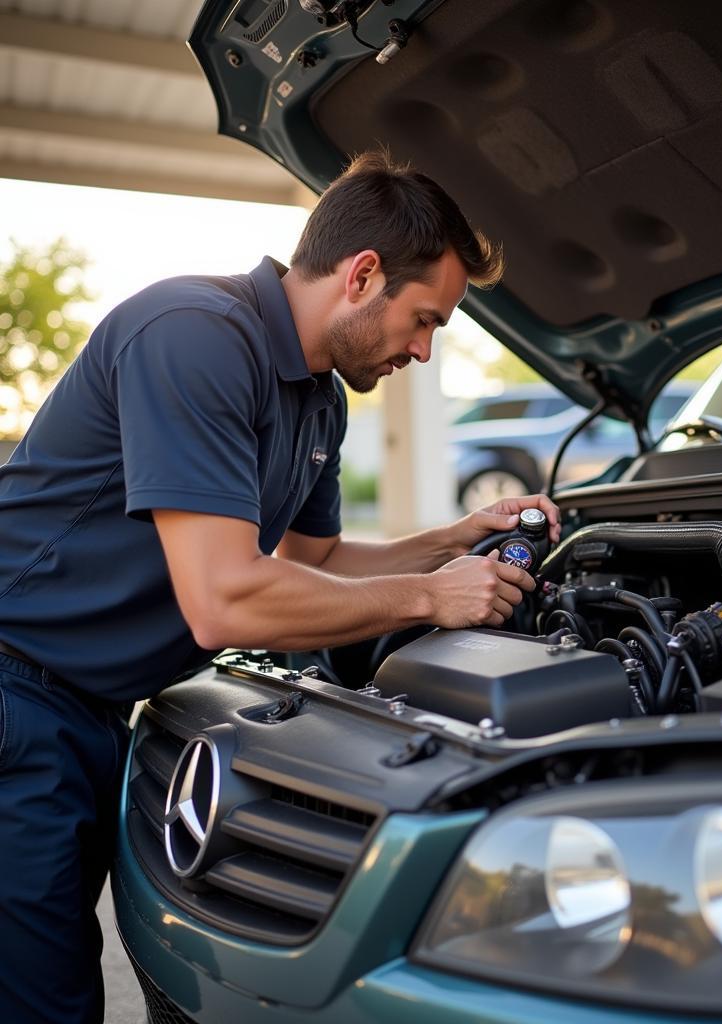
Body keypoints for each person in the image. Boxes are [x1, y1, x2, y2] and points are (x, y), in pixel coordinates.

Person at [0, 149, 560, 1024]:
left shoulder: (320, 401)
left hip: (92, 711)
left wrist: (450, 543)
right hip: (16, 696)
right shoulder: (190, 333)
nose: (422, 349)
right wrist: (430, 596)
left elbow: (319, 563)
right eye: (425, 321)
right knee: (41, 1003)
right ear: (363, 274)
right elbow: (225, 599)